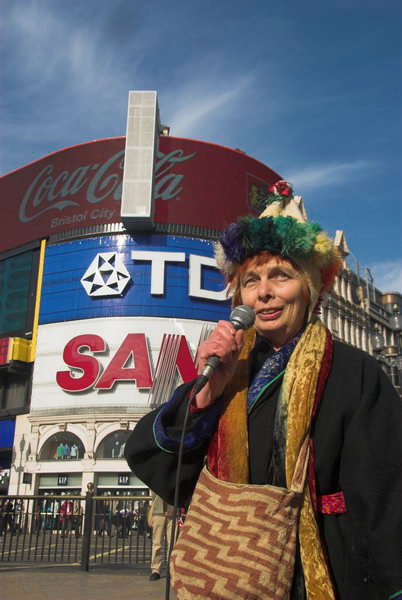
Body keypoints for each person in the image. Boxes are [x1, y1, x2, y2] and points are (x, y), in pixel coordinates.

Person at [125, 180, 402, 600]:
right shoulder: (230, 368)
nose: (264, 292)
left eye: (281, 276)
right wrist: (206, 395)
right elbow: (161, 467)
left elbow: (386, 501)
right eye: (251, 280)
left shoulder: (355, 373)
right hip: (229, 575)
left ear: (311, 288)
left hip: (325, 574)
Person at [148, 492, 174, 581]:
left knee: (173, 543)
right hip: (159, 510)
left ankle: (171, 569)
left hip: (173, 510)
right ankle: (156, 569)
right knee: (157, 542)